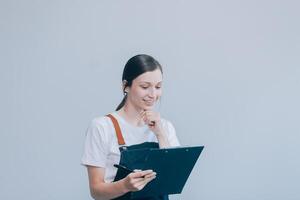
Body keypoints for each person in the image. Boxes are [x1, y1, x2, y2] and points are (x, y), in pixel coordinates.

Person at [81, 54, 180, 200]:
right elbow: (96, 191)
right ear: (125, 86)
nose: (153, 94)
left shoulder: (165, 127)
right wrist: (125, 186)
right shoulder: (102, 127)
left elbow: (173, 179)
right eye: (145, 87)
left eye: (158, 87)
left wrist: (161, 134)